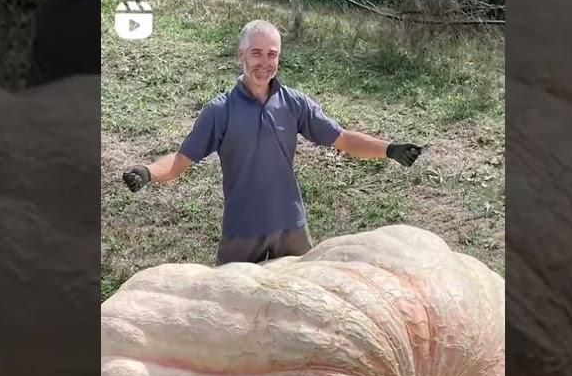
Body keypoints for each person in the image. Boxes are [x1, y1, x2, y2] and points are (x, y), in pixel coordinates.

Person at [121, 20, 426, 265]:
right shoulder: (219, 111)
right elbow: (180, 160)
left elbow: (343, 139)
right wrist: (148, 172)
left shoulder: (295, 104)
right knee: (236, 309)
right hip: (242, 232)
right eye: (256, 53)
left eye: (272, 54)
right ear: (240, 55)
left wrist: (389, 149)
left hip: (291, 227)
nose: (264, 62)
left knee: (301, 303)